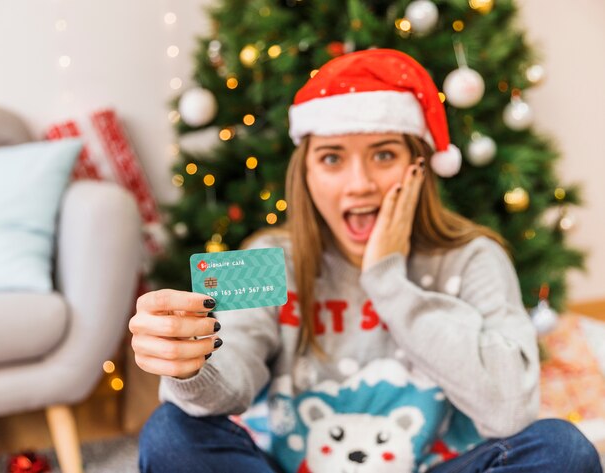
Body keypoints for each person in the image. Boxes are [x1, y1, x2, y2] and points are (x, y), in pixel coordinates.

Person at [130, 49, 602, 473]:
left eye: (383, 154)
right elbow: (229, 381)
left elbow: (509, 411)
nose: (359, 184)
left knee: (561, 448)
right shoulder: (271, 258)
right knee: (172, 430)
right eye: (333, 159)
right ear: (307, 174)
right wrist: (190, 367)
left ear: (420, 169)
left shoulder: (474, 257)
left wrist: (387, 279)